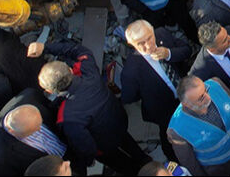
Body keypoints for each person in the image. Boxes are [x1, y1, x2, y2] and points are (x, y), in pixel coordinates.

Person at [34, 41, 149, 173]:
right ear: (70, 70)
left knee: (122, 164)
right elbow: (76, 49)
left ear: (51, 91)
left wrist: (89, 160)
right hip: (119, 121)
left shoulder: (68, 117)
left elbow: (85, 146)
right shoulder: (89, 71)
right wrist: (45, 47)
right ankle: (144, 160)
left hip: (105, 146)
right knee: (128, 142)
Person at [120, 20, 192, 160]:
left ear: (153, 32)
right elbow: (129, 97)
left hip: (186, 92)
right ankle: (175, 159)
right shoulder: (131, 71)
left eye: (149, 38)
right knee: (170, 138)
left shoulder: (162, 34)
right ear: (131, 44)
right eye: (141, 43)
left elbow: (187, 50)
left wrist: (169, 53)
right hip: (165, 110)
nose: (148, 45)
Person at [167, 76, 230, 176]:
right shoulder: (177, 130)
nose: (208, 97)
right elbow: (191, 164)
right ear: (187, 105)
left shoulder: (215, 84)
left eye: (206, 89)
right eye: (201, 98)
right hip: (223, 168)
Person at [0, 90, 65, 176]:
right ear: (13, 132)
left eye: (40, 124)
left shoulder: (30, 98)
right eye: (33, 131)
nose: (40, 129)